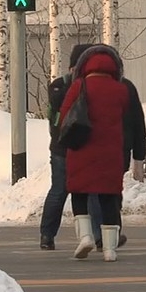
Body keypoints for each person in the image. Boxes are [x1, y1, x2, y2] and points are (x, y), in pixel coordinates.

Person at [59, 44, 130, 262]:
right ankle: (109, 249)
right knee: (108, 199)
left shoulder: (79, 86)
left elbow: (64, 116)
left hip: (82, 149)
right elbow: (126, 117)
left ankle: (86, 237)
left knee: (79, 193)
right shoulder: (121, 90)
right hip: (110, 153)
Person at [39, 44, 94, 250]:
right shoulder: (61, 86)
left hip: (72, 146)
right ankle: (47, 234)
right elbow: (55, 116)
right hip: (63, 147)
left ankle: (93, 235)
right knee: (61, 190)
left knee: (81, 191)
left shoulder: (65, 85)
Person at [89, 71, 146, 250]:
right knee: (112, 190)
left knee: (93, 191)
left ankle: (99, 235)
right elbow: (138, 121)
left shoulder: (85, 86)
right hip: (119, 149)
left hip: (91, 148)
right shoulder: (125, 87)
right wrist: (139, 153)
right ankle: (111, 233)